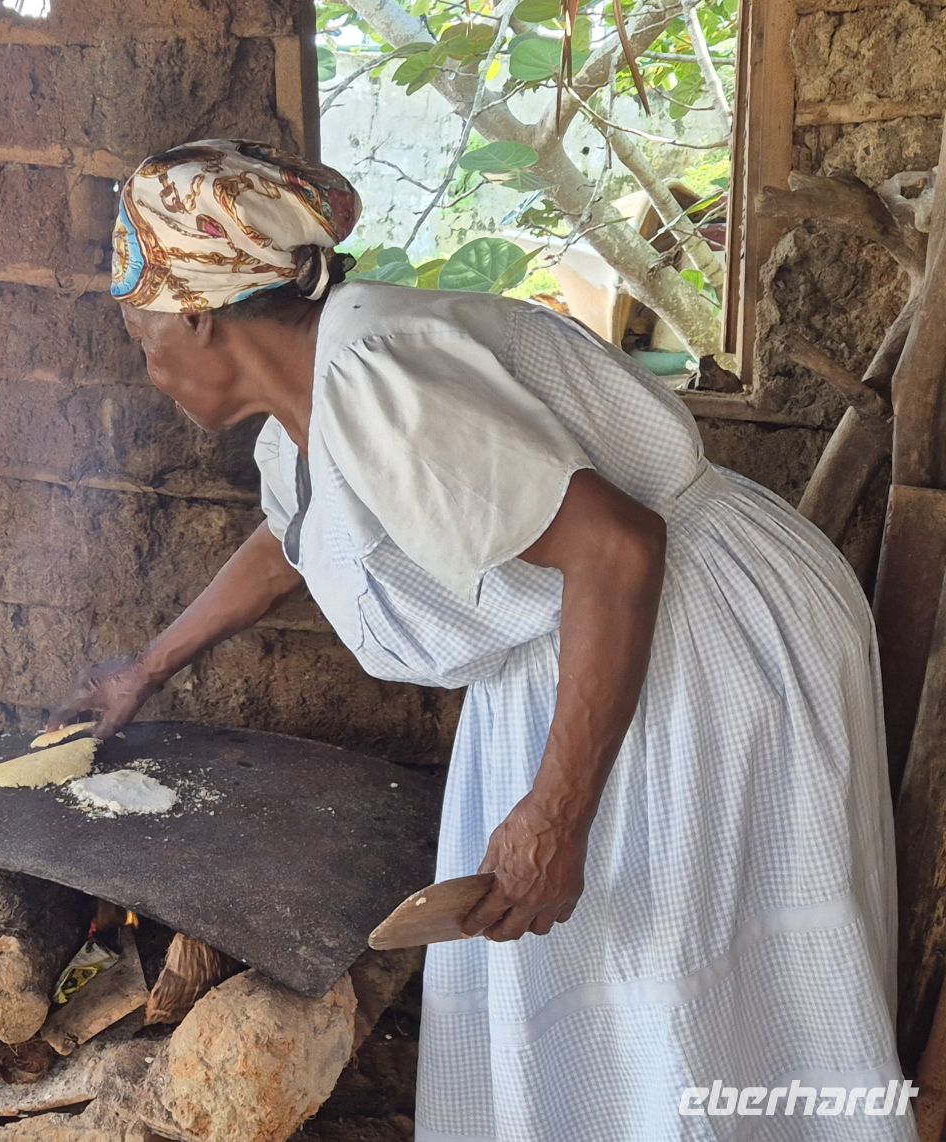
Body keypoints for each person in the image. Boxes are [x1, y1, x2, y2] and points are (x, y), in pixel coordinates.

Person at [46, 139, 913, 1139]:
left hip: (687, 642)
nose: (143, 364)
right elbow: (304, 534)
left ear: (195, 314)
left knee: (671, 974)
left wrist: (555, 814)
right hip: (592, 642)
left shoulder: (379, 375)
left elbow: (618, 551)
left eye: (137, 332)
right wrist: (144, 668)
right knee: (604, 986)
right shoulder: (317, 390)